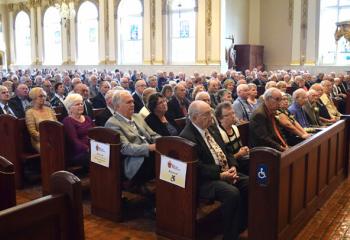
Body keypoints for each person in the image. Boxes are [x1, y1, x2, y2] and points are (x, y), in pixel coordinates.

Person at [180, 100, 248, 240]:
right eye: (206, 114)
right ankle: (230, 235)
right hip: (205, 180)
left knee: (249, 183)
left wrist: (233, 165)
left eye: (210, 112)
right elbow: (197, 167)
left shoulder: (212, 128)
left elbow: (227, 151)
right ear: (194, 118)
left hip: (225, 171)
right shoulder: (187, 137)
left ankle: (242, 225)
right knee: (231, 193)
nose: (211, 117)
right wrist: (220, 175)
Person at [105, 90, 160, 187]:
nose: (133, 104)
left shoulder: (137, 116)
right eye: (128, 102)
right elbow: (126, 148)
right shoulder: (112, 123)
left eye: (133, 101)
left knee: (169, 154)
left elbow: (152, 135)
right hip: (135, 161)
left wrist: (165, 142)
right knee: (161, 159)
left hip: (151, 154)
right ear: (117, 106)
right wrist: (150, 147)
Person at [215, 102, 250, 175]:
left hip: (241, 161)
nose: (233, 116)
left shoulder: (235, 127)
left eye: (233, 113)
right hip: (231, 168)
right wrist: (239, 154)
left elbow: (239, 148)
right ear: (220, 119)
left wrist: (244, 149)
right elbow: (224, 161)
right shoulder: (219, 134)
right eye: (228, 115)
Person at [63, 93, 93, 167]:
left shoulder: (87, 118)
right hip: (78, 152)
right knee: (98, 158)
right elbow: (74, 141)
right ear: (69, 108)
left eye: (81, 103)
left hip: (92, 148)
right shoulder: (68, 121)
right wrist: (88, 149)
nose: (80, 106)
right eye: (77, 104)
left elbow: (96, 133)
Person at [25, 87, 57, 152]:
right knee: (49, 148)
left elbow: (57, 124)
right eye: (40, 96)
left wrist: (55, 136)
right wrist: (46, 138)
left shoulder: (49, 109)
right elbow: (32, 132)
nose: (43, 98)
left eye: (44, 96)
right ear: (34, 98)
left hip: (54, 137)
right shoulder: (30, 112)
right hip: (39, 141)